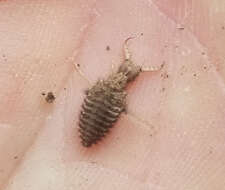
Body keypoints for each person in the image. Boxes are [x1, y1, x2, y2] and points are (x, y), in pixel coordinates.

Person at [0, 1, 225, 189]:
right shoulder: (115, 98)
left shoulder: (102, 90)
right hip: (92, 124)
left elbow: (99, 100)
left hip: (95, 122)